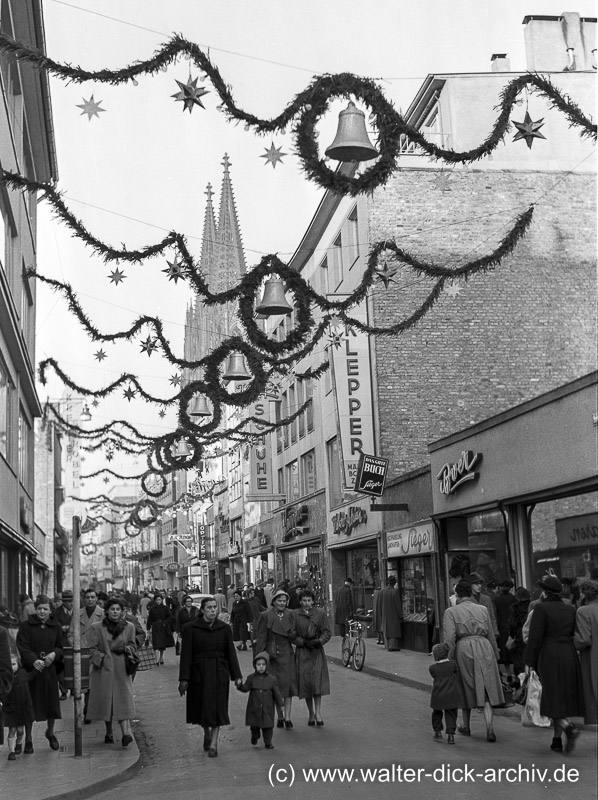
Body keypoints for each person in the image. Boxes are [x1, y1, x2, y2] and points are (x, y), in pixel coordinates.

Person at [525, 574, 584, 754]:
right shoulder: (571, 609)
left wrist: (529, 662)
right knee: (562, 698)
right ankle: (556, 740)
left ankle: (567, 727)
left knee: (549, 697)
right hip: (568, 654)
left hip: (549, 654)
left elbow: (534, 638)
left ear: (545, 592)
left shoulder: (540, 609)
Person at [178, 596, 242, 758]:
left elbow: (230, 653)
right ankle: (206, 730)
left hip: (219, 672)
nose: (213, 610)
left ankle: (214, 743)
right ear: (202, 610)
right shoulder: (190, 629)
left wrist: (237, 676)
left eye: (215, 607)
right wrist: (184, 679)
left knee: (218, 707)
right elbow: (186, 655)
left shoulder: (224, 629)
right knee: (202, 706)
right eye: (209, 608)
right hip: (198, 673)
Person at [442, 579, 504, 743]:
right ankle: (490, 728)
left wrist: (449, 659)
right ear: (470, 593)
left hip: (464, 649)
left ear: (457, 594)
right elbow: (490, 634)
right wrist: (496, 655)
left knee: (465, 686)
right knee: (486, 688)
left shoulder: (451, 612)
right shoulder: (483, 609)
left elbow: (449, 639)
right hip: (485, 647)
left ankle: (466, 726)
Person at [16, 594, 64, 751]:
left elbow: (62, 645)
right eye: (39, 609)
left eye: (45, 609)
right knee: (30, 704)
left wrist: (54, 654)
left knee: (51, 703)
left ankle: (50, 732)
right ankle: (28, 739)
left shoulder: (55, 626)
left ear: (50, 610)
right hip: (32, 671)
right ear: (35, 609)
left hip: (49, 670)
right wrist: (32, 660)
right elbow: (22, 645)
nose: (42, 612)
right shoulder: (26, 626)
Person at [87, 596, 137, 746]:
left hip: (122, 668)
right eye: (112, 609)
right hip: (105, 669)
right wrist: (102, 658)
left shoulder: (129, 627)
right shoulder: (97, 627)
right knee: (107, 702)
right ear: (107, 611)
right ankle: (109, 732)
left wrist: (126, 649)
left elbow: (133, 645)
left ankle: (125, 734)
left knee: (123, 700)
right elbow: (92, 649)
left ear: (122, 612)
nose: (115, 612)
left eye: (118, 609)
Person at [255, 588, 297, 729]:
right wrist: (259, 658)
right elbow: (261, 637)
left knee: (288, 687)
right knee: (276, 687)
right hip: (272, 655)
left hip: (287, 654)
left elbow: (295, 633)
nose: (282, 603)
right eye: (279, 600)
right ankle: (280, 716)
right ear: (273, 601)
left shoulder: (291, 614)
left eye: (284, 600)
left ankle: (288, 717)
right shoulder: (266, 615)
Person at [293, 588, 331, 726]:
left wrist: (319, 641)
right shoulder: (295, 615)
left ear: (313, 601)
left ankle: (318, 712)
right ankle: (310, 712)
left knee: (317, 682)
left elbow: (327, 631)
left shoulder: (320, 613)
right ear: (300, 602)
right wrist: (301, 642)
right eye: (304, 601)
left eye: (309, 600)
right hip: (303, 651)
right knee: (306, 683)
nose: (307, 603)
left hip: (316, 651)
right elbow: (292, 633)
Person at [68, 587, 105, 722]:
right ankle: (87, 709)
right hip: (82, 654)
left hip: (97, 653)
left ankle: (90, 710)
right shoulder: (78, 613)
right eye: (87, 597)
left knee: (95, 684)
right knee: (85, 685)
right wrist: (77, 646)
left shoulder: (103, 614)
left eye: (92, 597)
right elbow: (71, 634)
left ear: (96, 599)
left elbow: (106, 634)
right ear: (84, 599)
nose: (90, 599)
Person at [237, 651, 284, 749]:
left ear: (267, 665)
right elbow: (245, 688)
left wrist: (281, 705)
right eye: (259, 664)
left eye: (263, 664)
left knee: (268, 726)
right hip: (254, 707)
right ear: (255, 665)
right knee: (254, 725)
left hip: (267, 708)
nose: (261, 667)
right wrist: (240, 685)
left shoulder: (272, 679)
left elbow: (277, 693)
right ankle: (255, 736)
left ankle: (268, 742)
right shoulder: (251, 678)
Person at [2, 631, 35, 761]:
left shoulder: (22, 674)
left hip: (22, 708)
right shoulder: (5, 678)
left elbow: (32, 676)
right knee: (12, 730)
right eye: (9, 664)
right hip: (11, 708)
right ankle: (11, 751)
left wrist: (38, 668)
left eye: (14, 664)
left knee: (20, 731)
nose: (12, 666)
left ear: (18, 664)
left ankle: (19, 743)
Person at [574, 578, 598, 725]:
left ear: (584, 594)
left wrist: (572, 639)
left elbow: (583, 639)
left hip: (592, 658)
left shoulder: (583, 611)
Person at [429, 642, 462, 745]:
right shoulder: (453, 664)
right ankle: (451, 735)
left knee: (437, 713)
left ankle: (437, 731)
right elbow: (456, 672)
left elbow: (434, 675)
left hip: (438, 694)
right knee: (451, 714)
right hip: (451, 694)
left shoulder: (433, 668)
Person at [506, 587, 531, 683]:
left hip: (519, 638)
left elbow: (512, 624)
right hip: (530, 637)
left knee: (519, 662)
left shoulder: (515, 608)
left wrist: (512, 635)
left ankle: (520, 683)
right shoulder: (533, 606)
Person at [53, 590, 74, 700]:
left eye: (72, 601)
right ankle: (64, 691)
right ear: (64, 602)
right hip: (61, 643)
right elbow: (53, 624)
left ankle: (75, 689)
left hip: (74, 643)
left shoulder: (77, 611)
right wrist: (60, 628)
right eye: (68, 601)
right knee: (61, 668)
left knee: (74, 666)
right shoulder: (56, 612)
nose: (71, 603)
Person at [493, 579, 516, 678]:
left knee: (503, 651)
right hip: (513, 627)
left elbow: (495, 615)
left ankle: (508, 672)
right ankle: (514, 673)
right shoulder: (514, 599)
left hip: (501, 627)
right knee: (513, 651)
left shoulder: (496, 600)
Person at [467, 573, 499, 638]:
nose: (479, 586)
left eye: (480, 584)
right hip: (473, 633)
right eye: (476, 584)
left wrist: (495, 632)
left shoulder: (487, 599)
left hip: (487, 632)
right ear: (470, 585)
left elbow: (492, 616)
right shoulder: (467, 599)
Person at [147, 593, 175, 665]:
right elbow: (149, 619)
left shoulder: (165, 608)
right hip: (155, 627)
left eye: (160, 600)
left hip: (163, 627)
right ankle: (156, 659)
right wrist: (148, 628)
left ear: (162, 600)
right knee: (156, 643)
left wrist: (165, 622)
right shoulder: (152, 609)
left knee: (162, 644)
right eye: (157, 600)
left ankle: (161, 658)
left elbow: (170, 617)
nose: (158, 601)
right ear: (155, 601)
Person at [379, 576, 403, 651]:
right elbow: (398, 605)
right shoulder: (395, 591)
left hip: (385, 615)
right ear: (394, 583)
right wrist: (401, 615)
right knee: (393, 631)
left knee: (387, 631)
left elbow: (380, 604)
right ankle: (393, 646)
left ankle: (388, 646)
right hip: (393, 615)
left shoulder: (382, 591)